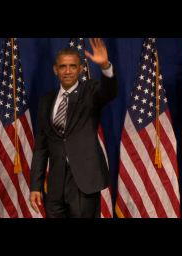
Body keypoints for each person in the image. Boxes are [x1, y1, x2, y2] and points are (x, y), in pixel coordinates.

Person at [30, 38, 118, 218]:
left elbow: (109, 92)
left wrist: (105, 67)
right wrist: (35, 186)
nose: (68, 71)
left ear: (81, 69)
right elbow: (41, 147)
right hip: (55, 185)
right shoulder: (46, 101)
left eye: (72, 66)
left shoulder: (90, 91)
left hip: (84, 182)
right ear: (56, 70)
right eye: (63, 66)